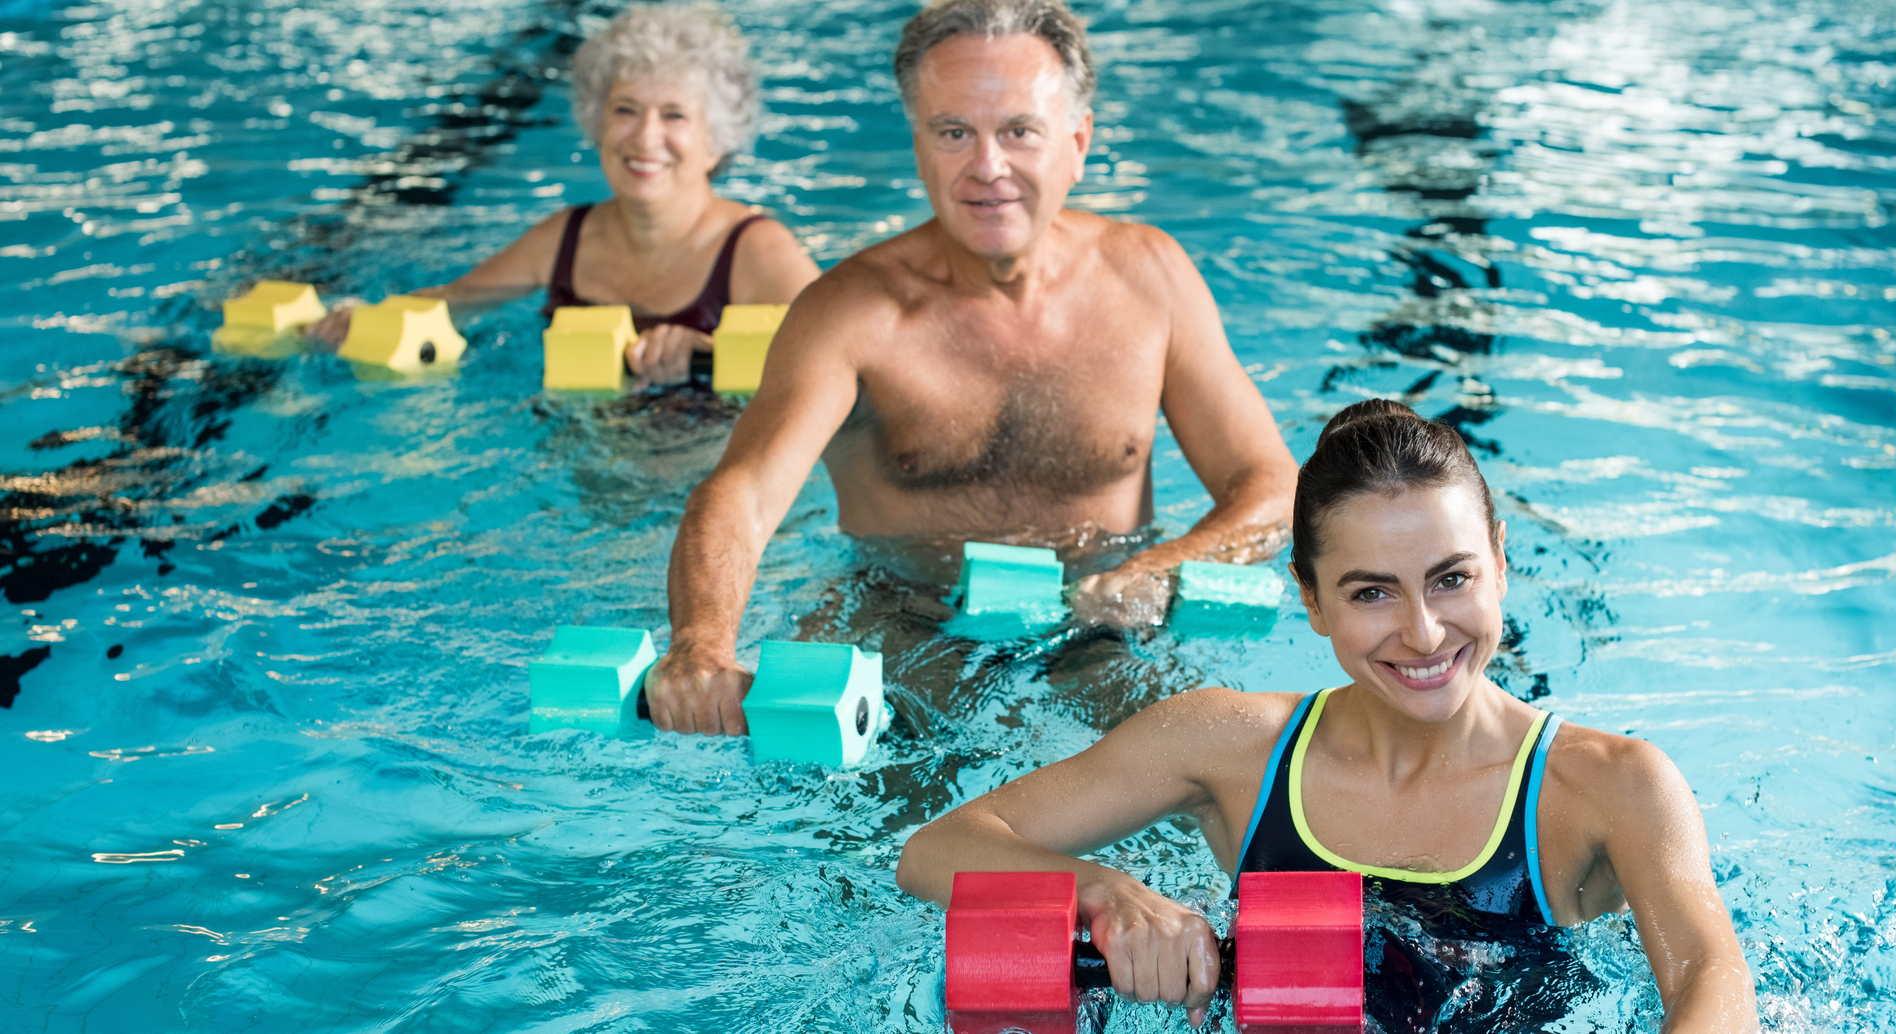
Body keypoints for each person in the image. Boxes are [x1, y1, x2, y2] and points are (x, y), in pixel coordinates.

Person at [895, 401, 1761, 1034]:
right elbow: (937, 849)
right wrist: (1112, 896)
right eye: (1371, 592)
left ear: (1501, 563)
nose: (1424, 633)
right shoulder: (1229, 746)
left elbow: (1712, 977)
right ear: (1309, 600)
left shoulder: (1607, 786)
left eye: (1452, 578)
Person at [646, 0, 1298, 735]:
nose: (987, 168)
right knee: (901, 830)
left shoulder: (1150, 280)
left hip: (1105, 620)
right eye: (954, 133)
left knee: (1192, 779)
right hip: (912, 620)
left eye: (1019, 131)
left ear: (1077, 143)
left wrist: (1161, 569)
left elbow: (1271, 487)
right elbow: (743, 493)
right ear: (919, 146)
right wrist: (700, 642)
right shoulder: (851, 313)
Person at [310, 3, 819, 384]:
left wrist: (708, 349)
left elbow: (844, 364)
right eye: (625, 109)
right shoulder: (565, 239)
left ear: (717, 142)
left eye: (674, 115)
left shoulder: (756, 250)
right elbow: (452, 304)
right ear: (596, 123)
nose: (644, 137)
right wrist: (361, 317)